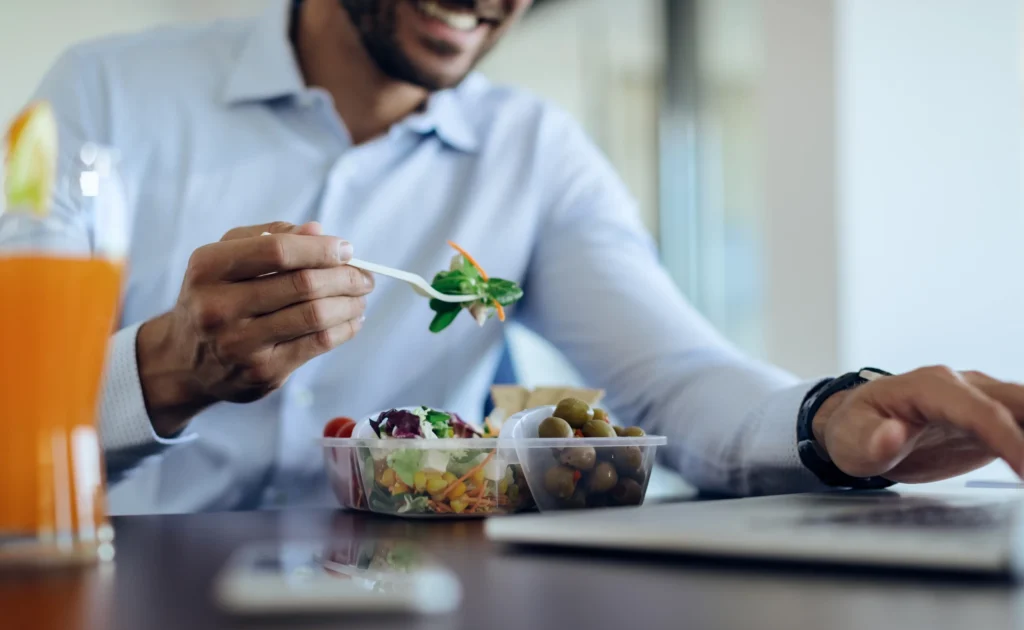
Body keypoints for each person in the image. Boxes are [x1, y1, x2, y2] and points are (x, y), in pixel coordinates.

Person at [27, 0, 1023, 513]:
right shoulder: (107, 94)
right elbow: (11, 403)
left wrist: (830, 418)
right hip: (111, 580)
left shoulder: (536, 154)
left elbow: (674, 378)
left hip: (417, 610)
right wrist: (163, 368)